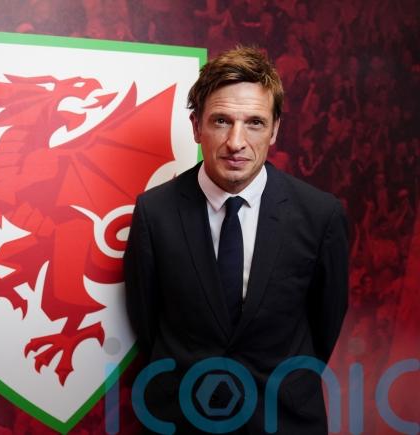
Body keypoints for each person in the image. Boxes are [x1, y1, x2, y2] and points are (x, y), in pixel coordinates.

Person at [124, 46, 348, 434]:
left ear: (275, 129)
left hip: (284, 419)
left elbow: (325, 322)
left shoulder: (320, 215)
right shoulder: (154, 212)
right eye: (221, 121)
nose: (235, 142)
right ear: (197, 126)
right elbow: (146, 322)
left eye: (255, 123)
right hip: (181, 419)